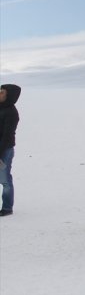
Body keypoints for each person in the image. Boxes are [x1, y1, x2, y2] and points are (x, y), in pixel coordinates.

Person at [0, 84, 21, 217]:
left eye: (2, 92)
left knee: (5, 179)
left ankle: (7, 208)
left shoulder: (12, 113)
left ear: (9, 95)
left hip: (4, 150)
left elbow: (7, 137)